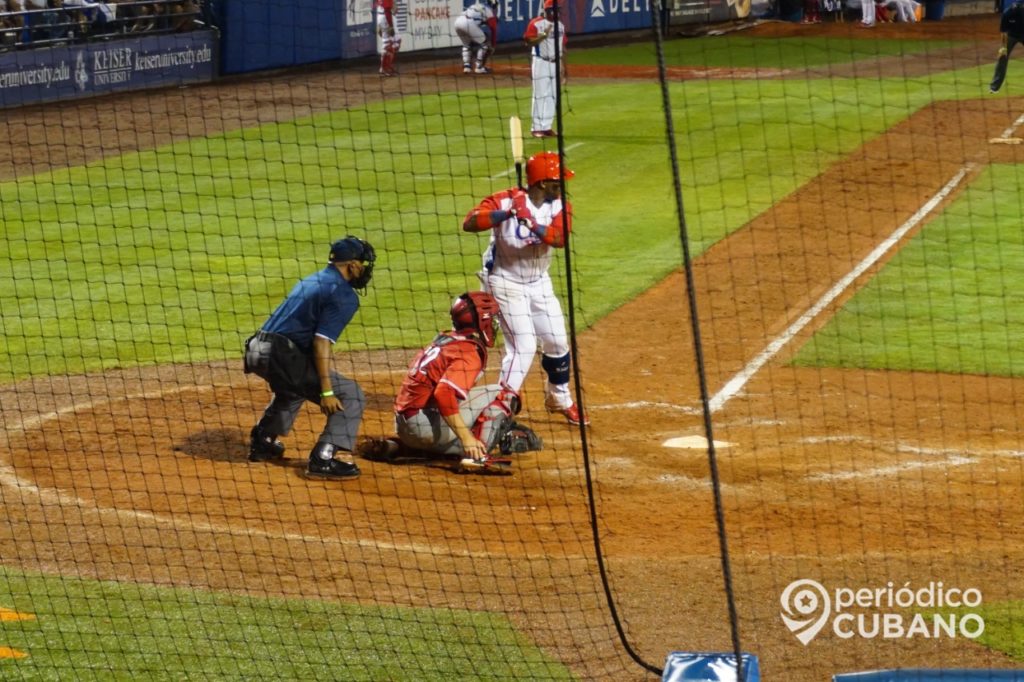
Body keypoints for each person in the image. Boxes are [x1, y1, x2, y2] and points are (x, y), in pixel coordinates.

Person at [461, 151, 589, 426]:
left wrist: (530, 223)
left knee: (556, 340)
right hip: (503, 282)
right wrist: (505, 213)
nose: (562, 185)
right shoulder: (505, 199)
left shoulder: (559, 206)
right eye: (557, 180)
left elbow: (558, 238)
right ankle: (498, 410)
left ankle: (559, 398)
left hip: (539, 282)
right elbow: (469, 223)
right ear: (542, 183)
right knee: (524, 346)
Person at [243, 236, 376, 481]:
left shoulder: (312, 279)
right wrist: (326, 392)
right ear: (353, 265)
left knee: (294, 386)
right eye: (364, 265)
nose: (365, 271)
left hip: (255, 349)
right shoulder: (343, 294)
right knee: (350, 393)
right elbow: (321, 342)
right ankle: (323, 458)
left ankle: (264, 440)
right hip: (280, 354)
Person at [367, 292, 540, 474]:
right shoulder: (469, 352)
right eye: (492, 318)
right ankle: (476, 455)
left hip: (404, 425)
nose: (495, 323)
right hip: (424, 426)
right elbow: (443, 394)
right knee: (504, 394)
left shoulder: (445, 340)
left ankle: (399, 447)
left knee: (468, 402)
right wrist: (467, 438)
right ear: (482, 321)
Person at [523, 0, 566, 138]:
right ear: (546, 10)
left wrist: (564, 66)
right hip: (541, 62)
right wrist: (543, 36)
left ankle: (546, 126)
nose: (557, 12)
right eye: (554, 9)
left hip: (556, 62)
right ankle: (536, 128)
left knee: (553, 95)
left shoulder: (560, 26)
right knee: (540, 94)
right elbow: (528, 41)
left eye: (558, 9)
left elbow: (562, 47)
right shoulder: (536, 23)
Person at [453, 0, 498, 75]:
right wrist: (493, 45)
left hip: (458, 22)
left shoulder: (477, 6)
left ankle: (467, 67)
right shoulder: (489, 11)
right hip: (468, 23)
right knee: (485, 43)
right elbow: (493, 30)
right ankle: (479, 67)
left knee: (467, 44)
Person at [991, 0, 1024, 93]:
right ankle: (994, 87)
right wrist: (1003, 47)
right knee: (1002, 56)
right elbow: (1004, 32)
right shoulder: (1007, 13)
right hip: (1011, 35)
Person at [375, 0, 400, 76]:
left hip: (383, 15)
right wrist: (391, 25)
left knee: (397, 41)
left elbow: (378, 5)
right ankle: (383, 68)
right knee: (388, 43)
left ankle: (388, 65)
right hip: (386, 17)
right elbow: (386, 10)